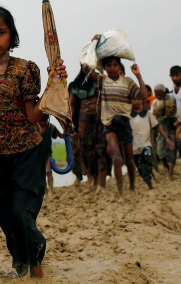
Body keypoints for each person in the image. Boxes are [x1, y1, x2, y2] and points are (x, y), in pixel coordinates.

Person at [0, 5, 67, 278]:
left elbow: (33, 116)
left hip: (26, 150)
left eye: (1, 32)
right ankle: (20, 257)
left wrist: (52, 87)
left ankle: (35, 260)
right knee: (0, 211)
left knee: (21, 210)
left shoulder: (24, 70)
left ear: (11, 34)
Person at [98, 54, 146, 197]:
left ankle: (132, 186)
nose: (112, 68)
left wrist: (138, 76)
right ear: (105, 68)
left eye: (114, 65)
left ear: (119, 66)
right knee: (117, 158)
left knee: (129, 160)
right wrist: (94, 43)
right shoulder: (102, 81)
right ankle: (121, 192)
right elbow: (89, 67)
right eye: (108, 66)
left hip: (124, 124)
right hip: (110, 124)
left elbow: (143, 95)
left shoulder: (127, 82)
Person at [70, 65, 105, 188]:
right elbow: (72, 105)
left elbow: (109, 91)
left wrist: (95, 77)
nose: (86, 66)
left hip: (102, 120)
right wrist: (70, 124)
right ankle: (91, 176)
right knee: (86, 150)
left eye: (89, 63)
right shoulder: (76, 84)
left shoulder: (101, 80)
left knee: (101, 149)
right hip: (84, 120)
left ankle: (101, 182)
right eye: (83, 63)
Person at [130, 93, 169, 190]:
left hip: (146, 143)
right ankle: (149, 183)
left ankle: (153, 170)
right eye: (134, 99)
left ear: (142, 100)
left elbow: (157, 126)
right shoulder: (128, 115)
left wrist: (166, 138)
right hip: (134, 146)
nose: (136, 101)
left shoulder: (147, 113)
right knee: (141, 168)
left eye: (138, 99)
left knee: (148, 156)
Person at [151, 84, 179, 178]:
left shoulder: (171, 99)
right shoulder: (155, 102)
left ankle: (170, 173)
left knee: (172, 149)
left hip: (171, 125)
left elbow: (174, 111)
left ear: (164, 92)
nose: (158, 96)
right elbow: (155, 115)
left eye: (160, 94)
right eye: (156, 94)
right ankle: (168, 169)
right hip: (161, 126)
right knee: (160, 151)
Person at [37, 115, 61, 195]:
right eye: (41, 121)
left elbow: (59, 135)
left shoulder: (50, 127)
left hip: (48, 154)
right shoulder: (34, 128)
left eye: (45, 121)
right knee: (40, 174)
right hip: (37, 156)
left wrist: (67, 135)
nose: (43, 123)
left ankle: (51, 189)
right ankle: (45, 190)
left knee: (48, 171)